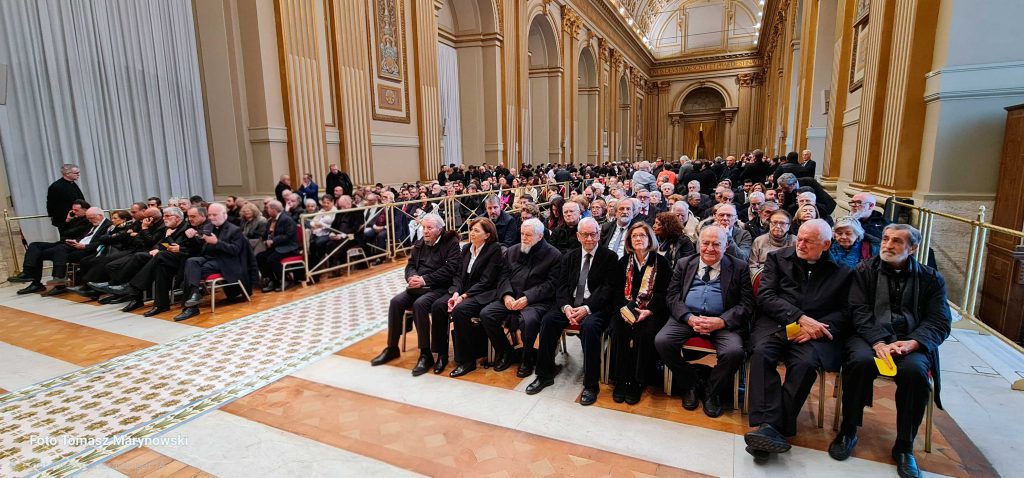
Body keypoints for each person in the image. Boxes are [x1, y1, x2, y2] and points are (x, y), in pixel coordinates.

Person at [828, 224, 952, 478]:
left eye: (896, 241)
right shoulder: (865, 270)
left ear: (913, 248)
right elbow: (858, 310)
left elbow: (939, 320)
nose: (887, 245)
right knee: (860, 362)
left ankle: (905, 446)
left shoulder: (930, 278)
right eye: (885, 239)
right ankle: (848, 430)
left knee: (915, 372)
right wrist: (879, 342)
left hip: (910, 339)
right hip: (869, 336)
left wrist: (913, 343)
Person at [745, 219, 854, 462]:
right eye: (800, 238)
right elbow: (766, 296)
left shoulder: (843, 272)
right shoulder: (777, 258)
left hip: (814, 332)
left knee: (805, 365)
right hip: (777, 323)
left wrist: (817, 328)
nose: (800, 244)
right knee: (762, 353)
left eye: (808, 241)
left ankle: (768, 429)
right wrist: (800, 318)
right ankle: (773, 427)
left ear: (826, 245)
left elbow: (846, 311)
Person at [656, 225, 753, 417]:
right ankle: (691, 382)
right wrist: (688, 318)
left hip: (722, 322)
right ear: (699, 244)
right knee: (662, 342)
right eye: (705, 243)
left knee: (734, 352)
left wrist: (722, 321)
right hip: (687, 318)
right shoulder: (684, 263)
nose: (709, 248)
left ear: (726, 246)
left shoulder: (739, 267)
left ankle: (712, 390)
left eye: (716, 244)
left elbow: (746, 304)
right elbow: (672, 296)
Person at [527, 218, 618, 405]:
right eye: (585, 234)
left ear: (599, 235)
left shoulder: (610, 257)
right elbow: (560, 287)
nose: (590, 238)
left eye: (593, 234)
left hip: (595, 307)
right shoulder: (569, 256)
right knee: (548, 320)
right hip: (569, 305)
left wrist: (586, 308)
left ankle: (591, 384)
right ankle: (544, 374)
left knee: (590, 328)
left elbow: (607, 290)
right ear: (578, 236)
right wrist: (566, 307)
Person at [370, 213, 460, 375]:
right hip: (418, 286)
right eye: (423, 227)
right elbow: (410, 265)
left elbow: (451, 269)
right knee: (396, 302)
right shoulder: (420, 243)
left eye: (429, 228)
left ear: (439, 230)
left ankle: (425, 353)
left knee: (420, 304)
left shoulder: (450, 243)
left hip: (438, 287)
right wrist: (411, 277)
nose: (425, 231)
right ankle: (392, 347)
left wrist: (425, 279)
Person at [480, 218, 561, 377]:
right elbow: (503, 276)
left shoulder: (554, 255)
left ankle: (527, 358)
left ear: (540, 236)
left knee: (528, 321)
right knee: (487, 314)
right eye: (522, 234)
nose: (524, 238)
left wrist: (527, 298)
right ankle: (506, 352)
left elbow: (551, 285)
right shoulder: (512, 251)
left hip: (537, 301)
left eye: (528, 235)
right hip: (511, 297)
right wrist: (507, 295)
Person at [607, 222, 671, 404]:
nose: (638, 239)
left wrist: (648, 311)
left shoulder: (661, 262)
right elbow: (616, 289)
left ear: (650, 238)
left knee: (645, 334)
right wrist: (626, 309)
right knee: (619, 331)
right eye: (634, 236)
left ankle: (637, 381)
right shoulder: (623, 262)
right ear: (629, 240)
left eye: (642, 235)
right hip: (625, 309)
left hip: (650, 311)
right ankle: (620, 380)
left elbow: (663, 293)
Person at [433, 218, 503, 377]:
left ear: (487, 234)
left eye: (476, 230)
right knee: (438, 306)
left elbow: (487, 281)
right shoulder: (466, 248)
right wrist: (456, 292)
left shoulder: (495, 249)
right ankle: (441, 355)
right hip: (464, 291)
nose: (472, 233)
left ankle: (467, 360)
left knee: (459, 311)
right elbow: (458, 275)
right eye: (471, 229)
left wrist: (463, 297)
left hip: (484, 293)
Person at [173, 203, 257, 321]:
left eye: (215, 215)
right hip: (209, 258)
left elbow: (235, 250)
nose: (211, 217)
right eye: (210, 215)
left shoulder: (234, 230)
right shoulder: (208, 228)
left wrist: (217, 242)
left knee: (192, 271)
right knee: (191, 262)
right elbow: (199, 249)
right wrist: (192, 238)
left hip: (226, 262)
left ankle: (191, 308)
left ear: (224, 215)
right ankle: (195, 294)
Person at [16, 205, 109, 295]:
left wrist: (83, 246)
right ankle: (32, 278)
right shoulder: (89, 222)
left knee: (60, 250)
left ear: (100, 216)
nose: (89, 220)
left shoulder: (107, 225)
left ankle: (59, 282)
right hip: (73, 245)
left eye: (91, 218)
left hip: (86, 250)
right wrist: (68, 221)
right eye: (88, 218)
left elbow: (102, 242)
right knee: (37, 250)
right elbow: (66, 233)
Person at [256, 200, 299, 292]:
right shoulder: (270, 220)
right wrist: (264, 240)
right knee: (260, 257)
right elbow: (265, 234)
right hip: (276, 247)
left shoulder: (286, 219)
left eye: (268, 208)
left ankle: (285, 280)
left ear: (274, 209)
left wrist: (273, 241)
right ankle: (273, 280)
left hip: (288, 247)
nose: (266, 210)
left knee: (272, 259)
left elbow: (288, 235)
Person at [749, 210, 796, 275]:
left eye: (782, 223)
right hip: (763, 278)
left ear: (789, 226)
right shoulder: (759, 241)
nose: (778, 226)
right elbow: (752, 266)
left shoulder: (796, 241)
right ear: (769, 224)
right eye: (774, 222)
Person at [46, 164, 85, 233]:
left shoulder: (72, 184)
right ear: (67, 174)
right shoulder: (56, 186)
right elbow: (51, 204)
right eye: (76, 173)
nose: (78, 174)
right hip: (65, 220)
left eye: (79, 172)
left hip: (78, 218)